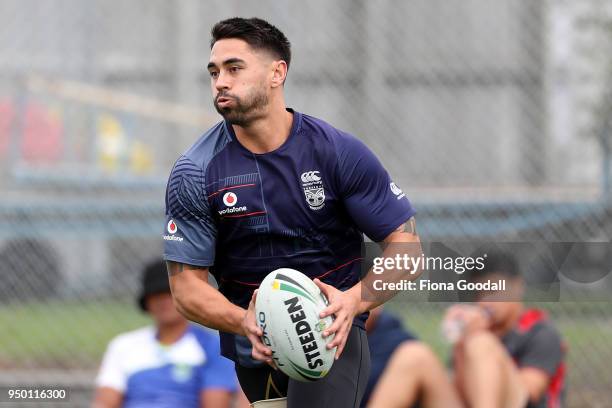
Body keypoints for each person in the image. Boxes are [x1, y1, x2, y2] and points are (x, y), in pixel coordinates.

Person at [163, 17, 421, 408]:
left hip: (332, 332)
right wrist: (244, 322)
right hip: (254, 350)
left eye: (235, 68)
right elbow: (186, 289)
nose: (221, 82)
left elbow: (406, 247)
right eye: (214, 72)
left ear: (276, 73)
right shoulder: (196, 172)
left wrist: (355, 299)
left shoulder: (335, 152)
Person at [367, 251, 566, 408]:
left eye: (494, 292)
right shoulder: (476, 331)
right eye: (481, 293)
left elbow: (530, 393)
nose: (487, 301)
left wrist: (482, 344)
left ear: (517, 287)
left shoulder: (539, 331)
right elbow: (461, 392)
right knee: (413, 354)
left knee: (480, 344)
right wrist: (463, 343)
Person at [92, 259, 243, 408]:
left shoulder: (213, 347)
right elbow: (105, 402)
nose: (163, 301)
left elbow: (215, 404)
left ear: (184, 298)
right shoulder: (123, 346)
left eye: (169, 293)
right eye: (156, 294)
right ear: (147, 301)